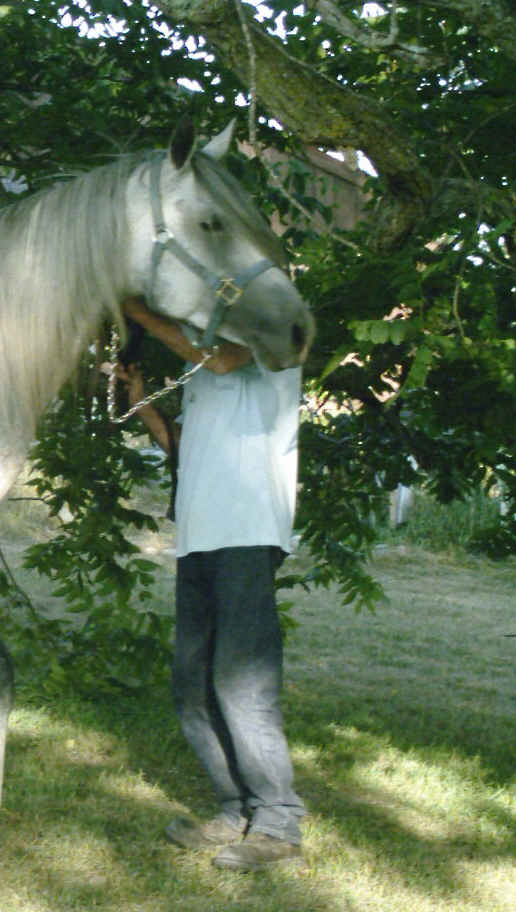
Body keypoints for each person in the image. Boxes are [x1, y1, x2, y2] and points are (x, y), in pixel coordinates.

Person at [116, 296, 307, 871]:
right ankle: (233, 811)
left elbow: (222, 359)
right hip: (199, 539)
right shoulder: (201, 375)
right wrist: (137, 392)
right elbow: (180, 449)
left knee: (241, 683)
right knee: (192, 685)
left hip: (247, 533)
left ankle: (278, 825)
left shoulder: (272, 342)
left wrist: (140, 311)